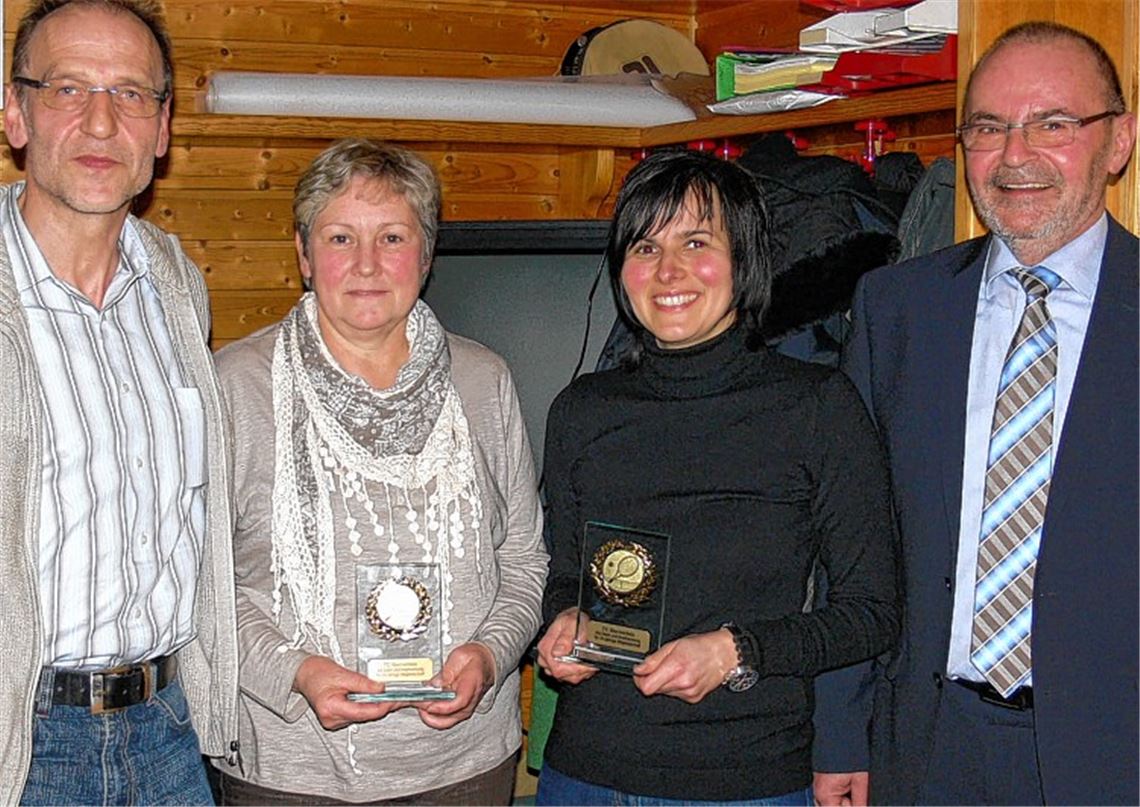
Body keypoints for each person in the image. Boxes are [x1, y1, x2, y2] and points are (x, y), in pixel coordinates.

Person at [812, 21, 1138, 806]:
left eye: (1053, 124)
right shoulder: (898, 308)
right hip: (924, 746)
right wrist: (840, 733)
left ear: (1118, 142)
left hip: (1117, 754)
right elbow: (853, 542)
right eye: (989, 129)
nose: (1015, 156)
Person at [534, 149, 900, 805]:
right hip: (585, 774)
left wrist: (738, 650)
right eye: (645, 246)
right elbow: (564, 573)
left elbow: (873, 612)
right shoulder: (581, 411)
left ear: (745, 259)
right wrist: (562, 620)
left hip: (743, 779)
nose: (668, 270)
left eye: (696, 242)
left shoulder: (817, 407)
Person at [210, 137, 548, 805]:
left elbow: (524, 559)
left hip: (463, 762)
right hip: (291, 765)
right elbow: (201, 583)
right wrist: (295, 671)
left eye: (392, 236)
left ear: (425, 256)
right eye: (340, 238)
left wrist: (488, 655)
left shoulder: (483, 380)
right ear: (305, 256)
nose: (366, 264)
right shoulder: (237, 386)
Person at [0, 0, 240, 803]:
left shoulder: (177, 286)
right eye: (68, 88)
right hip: (22, 741)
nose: (102, 122)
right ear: (16, 111)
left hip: (169, 732)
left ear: (163, 128)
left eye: (132, 93)